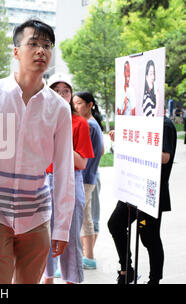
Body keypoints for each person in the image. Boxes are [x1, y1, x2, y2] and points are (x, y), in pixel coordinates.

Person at [0, 19, 75, 284]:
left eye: (47, 45)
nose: (41, 51)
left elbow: (64, 169)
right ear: (16, 52)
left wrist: (62, 227)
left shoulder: (58, 108)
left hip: (37, 215)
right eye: (33, 44)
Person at [107, 115, 177, 284]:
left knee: (148, 236)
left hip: (151, 190)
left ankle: (154, 280)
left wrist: (131, 144)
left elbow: (165, 157)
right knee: (115, 224)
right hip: (133, 185)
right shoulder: (137, 121)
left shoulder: (164, 124)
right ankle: (126, 270)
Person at [43, 75, 94, 284]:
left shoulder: (79, 123)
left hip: (71, 180)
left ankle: (71, 279)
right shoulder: (41, 119)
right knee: (44, 235)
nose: (62, 95)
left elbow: (82, 162)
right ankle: (47, 278)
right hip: (45, 180)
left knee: (71, 238)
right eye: (57, 90)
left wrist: (61, 138)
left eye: (66, 90)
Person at [72, 91, 104, 270]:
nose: (75, 107)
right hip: (90, 176)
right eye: (74, 104)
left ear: (90, 105)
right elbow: (102, 150)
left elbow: (89, 154)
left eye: (79, 103)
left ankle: (88, 257)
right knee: (86, 218)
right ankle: (87, 256)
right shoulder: (93, 124)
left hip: (84, 177)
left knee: (84, 219)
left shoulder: (88, 125)